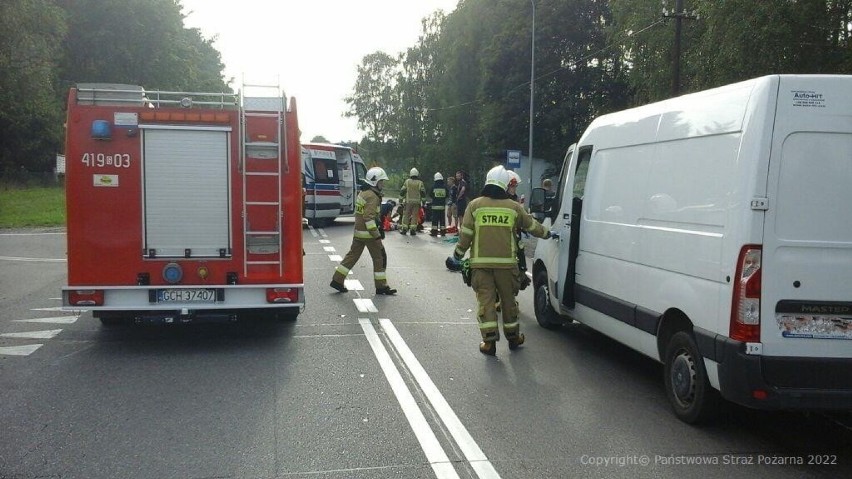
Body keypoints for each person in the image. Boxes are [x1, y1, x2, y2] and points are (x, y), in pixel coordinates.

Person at [453, 165, 553, 356]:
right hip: (507, 266)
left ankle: (489, 343)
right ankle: (514, 338)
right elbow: (532, 226)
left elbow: (465, 235)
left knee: (486, 302)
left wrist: (457, 256)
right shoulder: (513, 207)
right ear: (505, 185)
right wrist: (549, 233)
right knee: (508, 302)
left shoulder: (474, 206)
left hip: (481, 266)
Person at [330, 167, 397, 296]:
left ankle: (337, 280)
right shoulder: (373, 196)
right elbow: (369, 218)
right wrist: (377, 236)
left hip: (358, 232)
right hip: (369, 234)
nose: (383, 184)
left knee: (352, 256)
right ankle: (381, 286)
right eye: (381, 181)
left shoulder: (363, 193)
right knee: (380, 257)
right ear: (375, 181)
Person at [506, 170, 530, 290]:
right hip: (505, 232)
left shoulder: (516, 199)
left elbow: (522, 215)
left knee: (520, 249)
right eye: (512, 186)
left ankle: (522, 273)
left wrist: (524, 226)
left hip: (516, 231)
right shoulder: (503, 200)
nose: (514, 189)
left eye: (515, 186)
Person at [399, 167, 426, 236]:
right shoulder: (420, 183)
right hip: (417, 203)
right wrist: (424, 202)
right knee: (415, 216)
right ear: (417, 175)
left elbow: (402, 191)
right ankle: (413, 230)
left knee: (406, 215)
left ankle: (404, 229)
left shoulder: (407, 181)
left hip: (408, 202)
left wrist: (400, 200)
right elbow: (423, 193)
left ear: (410, 174)